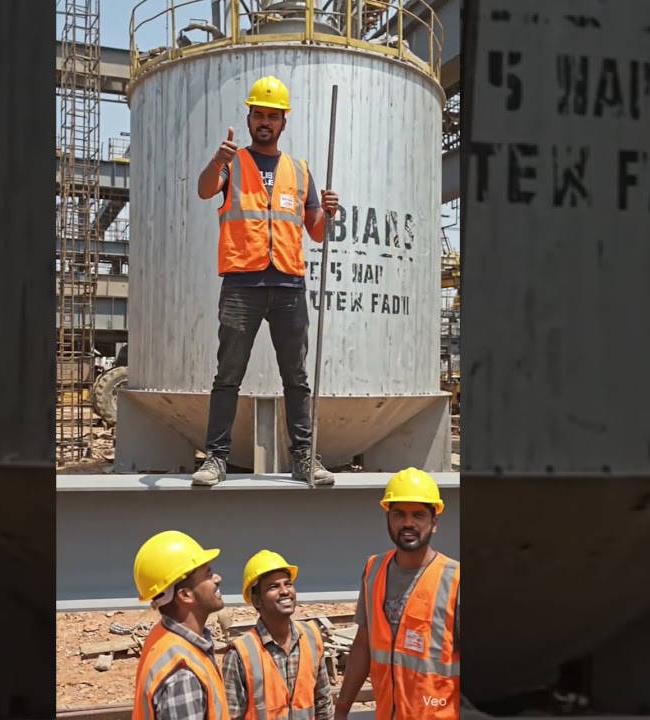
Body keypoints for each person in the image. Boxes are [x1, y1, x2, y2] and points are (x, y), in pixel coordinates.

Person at [191, 75, 339, 489]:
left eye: (272, 116)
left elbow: (316, 232)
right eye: (259, 114)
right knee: (228, 375)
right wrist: (217, 161)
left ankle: (304, 458)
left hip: (289, 286)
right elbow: (205, 192)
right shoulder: (233, 163)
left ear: (283, 122)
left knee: (296, 377)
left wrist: (328, 211)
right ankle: (216, 459)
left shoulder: (300, 170)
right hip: (242, 284)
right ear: (249, 116)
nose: (265, 122)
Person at [333, 468, 460, 719]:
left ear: (434, 523)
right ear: (388, 519)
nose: (408, 523)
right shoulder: (373, 570)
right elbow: (364, 642)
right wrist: (342, 707)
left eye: (418, 515)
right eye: (399, 514)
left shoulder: (454, 580)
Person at [220, 550, 334, 719]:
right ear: (256, 600)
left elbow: (323, 704)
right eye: (273, 586)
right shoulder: (240, 655)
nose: (285, 591)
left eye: (288, 584)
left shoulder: (311, 638)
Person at [132, 530, 231, 719]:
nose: (217, 578)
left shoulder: (162, 637)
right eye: (207, 573)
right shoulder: (183, 675)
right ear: (185, 595)